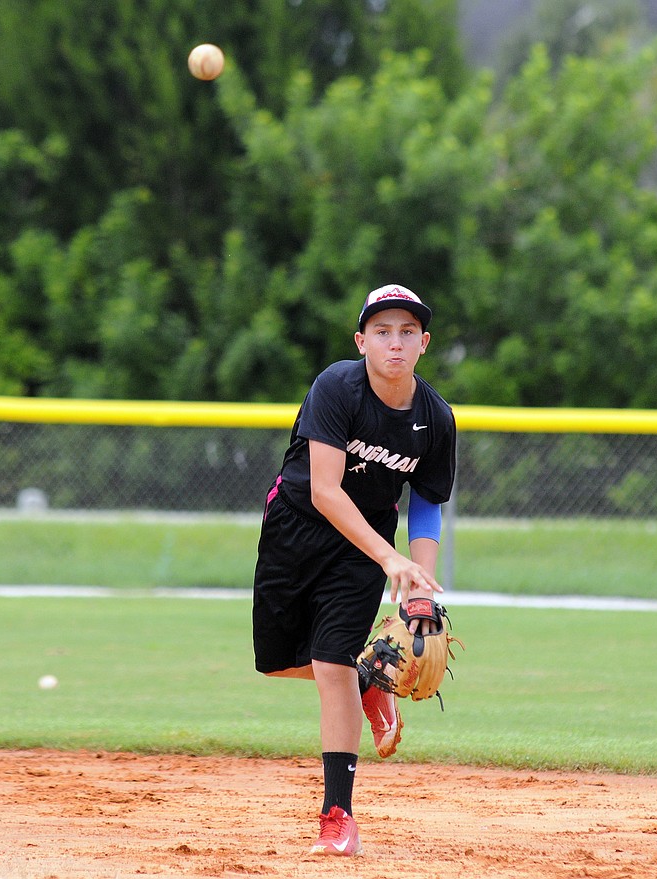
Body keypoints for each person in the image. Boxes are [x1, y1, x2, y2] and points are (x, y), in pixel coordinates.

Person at [252, 283, 456, 857]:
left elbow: (426, 502)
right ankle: (369, 678)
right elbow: (324, 489)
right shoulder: (337, 387)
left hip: (361, 548)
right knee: (278, 664)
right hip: (295, 527)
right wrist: (393, 558)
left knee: (328, 660)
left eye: (408, 332)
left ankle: (337, 816)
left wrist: (420, 583)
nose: (396, 342)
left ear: (424, 344)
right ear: (362, 340)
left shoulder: (435, 417)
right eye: (383, 331)